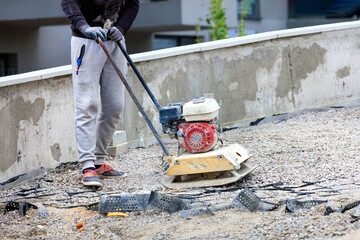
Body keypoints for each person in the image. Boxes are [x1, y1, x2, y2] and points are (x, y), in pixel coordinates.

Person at [61, 0, 139, 187]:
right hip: (86, 42)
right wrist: (84, 27)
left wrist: (121, 28)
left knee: (114, 106)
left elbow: (133, 5)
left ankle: (98, 162)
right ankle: (87, 166)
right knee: (87, 105)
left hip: (115, 42)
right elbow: (68, 2)